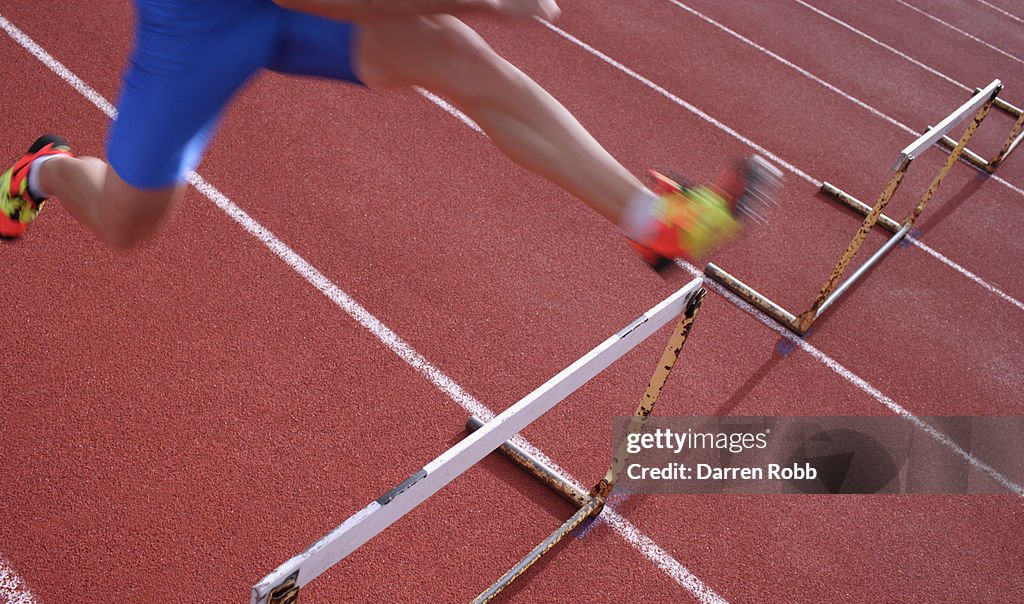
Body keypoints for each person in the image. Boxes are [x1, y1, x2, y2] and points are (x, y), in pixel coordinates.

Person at [1, 0, 781, 265]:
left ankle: (657, 223)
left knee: (451, 53)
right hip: (199, 28)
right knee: (130, 225)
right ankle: (44, 171)